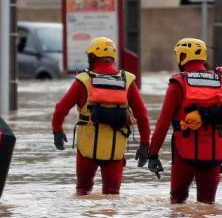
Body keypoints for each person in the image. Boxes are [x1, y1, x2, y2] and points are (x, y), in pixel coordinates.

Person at [52, 37, 151, 195]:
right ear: (113, 57)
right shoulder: (128, 80)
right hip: (115, 152)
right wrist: (145, 145)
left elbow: (60, 109)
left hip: (86, 150)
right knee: (112, 196)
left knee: (83, 192)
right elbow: (143, 116)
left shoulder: (83, 81)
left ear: (92, 57)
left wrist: (57, 130)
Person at [146, 38, 222, 204]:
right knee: (208, 206)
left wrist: (153, 154)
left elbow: (163, 123)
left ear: (182, 56)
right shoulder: (221, 80)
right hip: (215, 153)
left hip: (184, 153)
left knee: (177, 204)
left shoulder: (178, 83)